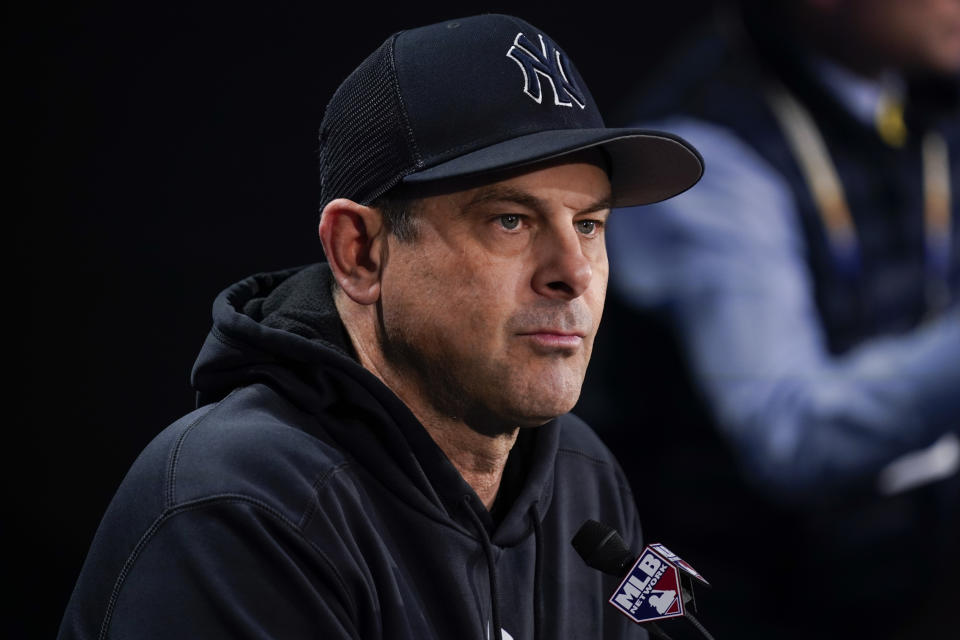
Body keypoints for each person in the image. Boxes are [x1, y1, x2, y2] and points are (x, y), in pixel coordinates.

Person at [57, 14, 703, 640]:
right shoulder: (238, 509)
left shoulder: (584, 482)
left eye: (588, 224)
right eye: (511, 220)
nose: (574, 273)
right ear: (360, 252)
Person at [582, 0, 959, 637]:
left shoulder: (919, 98)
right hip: (729, 610)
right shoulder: (704, 154)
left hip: (897, 588)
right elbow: (789, 434)